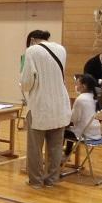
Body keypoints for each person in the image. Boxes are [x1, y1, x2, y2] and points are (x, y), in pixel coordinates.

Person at [20, 30, 71, 188]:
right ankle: (52, 180)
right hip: (60, 105)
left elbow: (27, 82)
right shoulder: (61, 49)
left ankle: (36, 181)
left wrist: (22, 83)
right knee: (56, 148)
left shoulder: (32, 51)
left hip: (40, 106)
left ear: (32, 40)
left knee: (35, 148)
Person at [62, 73, 100, 162]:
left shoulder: (81, 99)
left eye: (77, 84)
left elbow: (73, 119)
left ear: (84, 86)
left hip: (85, 134)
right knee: (69, 130)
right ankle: (67, 153)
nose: (76, 86)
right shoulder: (94, 97)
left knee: (60, 132)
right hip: (96, 132)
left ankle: (62, 156)